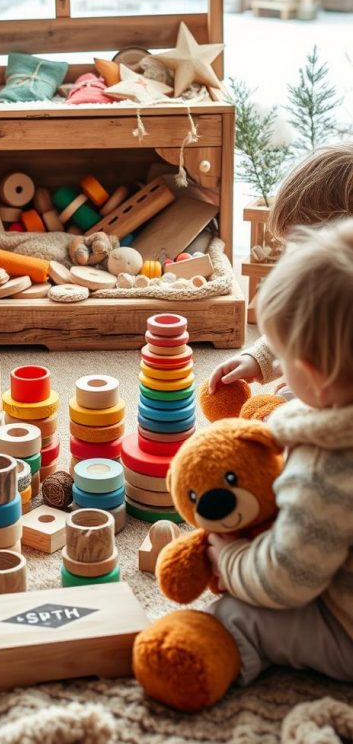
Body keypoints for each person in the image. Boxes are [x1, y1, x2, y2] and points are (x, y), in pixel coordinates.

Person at [207, 218, 353, 685]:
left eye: (286, 362)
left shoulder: (324, 467)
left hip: (346, 630)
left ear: (312, 370)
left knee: (233, 614)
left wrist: (227, 559)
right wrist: (265, 358)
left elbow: (284, 579)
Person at [209, 144, 353, 392]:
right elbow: (296, 325)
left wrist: (322, 386)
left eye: (303, 247)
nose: (297, 261)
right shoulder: (322, 282)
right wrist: (257, 360)